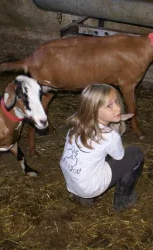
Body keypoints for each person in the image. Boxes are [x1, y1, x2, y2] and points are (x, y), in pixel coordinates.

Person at [59, 83, 144, 211]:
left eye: (116, 101)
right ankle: (122, 201)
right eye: (109, 106)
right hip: (89, 187)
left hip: (72, 183)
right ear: (93, 110)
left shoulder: (75, 127)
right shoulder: (109, 136)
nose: (118, 108)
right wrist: (115, 132)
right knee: (135, 153)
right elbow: (119, 156)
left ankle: (84, 198)